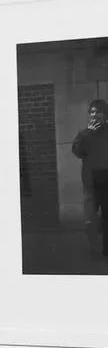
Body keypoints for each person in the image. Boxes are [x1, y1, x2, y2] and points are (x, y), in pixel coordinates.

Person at [73, 98, 108, 257]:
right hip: (90, 183)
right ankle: (94, 249)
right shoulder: (84, 133)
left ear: (105, 114)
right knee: (90, 220)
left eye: (98, 112)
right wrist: (89, 133)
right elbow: (78, 152)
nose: (94, 115)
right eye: (92, 112)